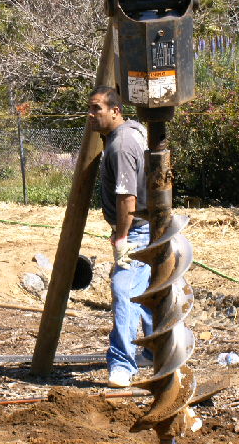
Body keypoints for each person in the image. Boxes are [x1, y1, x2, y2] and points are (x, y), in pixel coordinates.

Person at [87, 86, 153, 388]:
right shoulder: (132, 132)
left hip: (136, 229)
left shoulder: (121, 145)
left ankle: (123, 365)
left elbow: (127, 197)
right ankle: (155, 351)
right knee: (148, 292)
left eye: (97, 108)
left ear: (115, 110)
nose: (91, 115)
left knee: (123, 290)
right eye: (90, 108)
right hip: (147, 225)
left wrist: (122, 238)